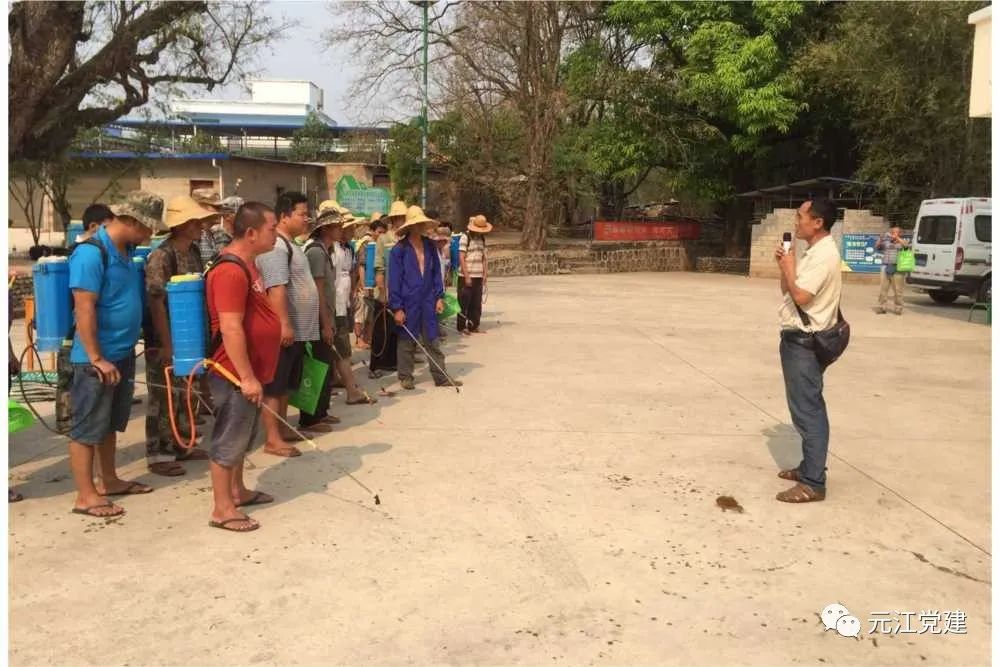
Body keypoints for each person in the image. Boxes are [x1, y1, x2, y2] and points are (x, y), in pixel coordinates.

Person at [66, 191, 161, 518]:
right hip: (95, 359)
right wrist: (95, 357)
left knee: (108, 424)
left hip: (120, 354)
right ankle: (85, 495)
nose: (150, 236)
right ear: (133, 221)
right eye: (148, 229)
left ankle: (109, 480)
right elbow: (84, 307)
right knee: (86, 427)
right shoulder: (91, 254)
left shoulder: (126, 251)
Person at [204, 202, 282, 532]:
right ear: (251, 233)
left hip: (249, 371)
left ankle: (237, 490)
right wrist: (246, 376)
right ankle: (223, 508)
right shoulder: (230, 271)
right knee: (229, 437)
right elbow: (231, 326)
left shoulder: (249, 266)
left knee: (243, 435)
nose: (275, 234)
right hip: (233, 372)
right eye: (271, 228)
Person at [774, 198, 843, 504]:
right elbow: (788, 290)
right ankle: (808, 468)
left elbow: (800, 295)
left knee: (808, 411)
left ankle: (813, 482)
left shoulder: (824, 255)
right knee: (804, 406)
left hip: (804, 341)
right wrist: (786, 267)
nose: (796, 221)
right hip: (799, 339)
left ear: (818, 223)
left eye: (801, 216)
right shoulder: (814, 252)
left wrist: (790, 268)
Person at [143, 196, 218, 476]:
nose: (201, 226)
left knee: (186, 390)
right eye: (196, 221)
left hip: (189, 335)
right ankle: (159, 453)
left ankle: (182, 442)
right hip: (167, 338)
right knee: (164, 396)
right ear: (182, 225)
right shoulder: (162, 256)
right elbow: (156, 300)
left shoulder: (194, 251)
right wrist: (167, 343)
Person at [255, 191, 323, 457]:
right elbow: (276, 288)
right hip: (284, 329)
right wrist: (283, 324)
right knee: (275, 384)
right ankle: (272, 439)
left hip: (297, 330)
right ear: (284, 217)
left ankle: (282, 429)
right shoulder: (277, 248)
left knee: (287, 384)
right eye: (302, 214)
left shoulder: (292, 245)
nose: (306, 219)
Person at [389, 206, 462, 390]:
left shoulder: (430, 246)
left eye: (422, 222)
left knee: (432, 337)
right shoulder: (399, 250)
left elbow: (436, 273)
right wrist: (397, 307)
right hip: (408, 300)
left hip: (428, 298)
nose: (420, 226)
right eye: (417, 223)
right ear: (410, 226)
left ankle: (441, 376)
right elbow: (394, 280)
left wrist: (439, 297)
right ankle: (406, 376)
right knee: (407, 339)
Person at [369, 200, 408, 377]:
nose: (400, 220)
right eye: (397, 217)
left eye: (403, 217)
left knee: (398, 329)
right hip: (386, 291)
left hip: (403, 292)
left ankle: (393, 362)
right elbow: (379, 266)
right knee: (381, 329)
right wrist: (382, 290)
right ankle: (376, 366)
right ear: (393, 219)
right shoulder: (384, 239)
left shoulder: (407, 240)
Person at [457, 214, 492, 335]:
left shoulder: (482, 239)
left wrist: (485, 274)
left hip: (478, 275)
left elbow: (484, 258)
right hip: (466, 276)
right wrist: (466, 276)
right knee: (464, 302)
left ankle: (474, 325)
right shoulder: (465, 237)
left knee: (476, 303)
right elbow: (461, 257)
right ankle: (462, 327)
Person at [874, 225, 908, 315]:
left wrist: (897, 238)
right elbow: (877, 247)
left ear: (900, 233)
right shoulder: (886, 242)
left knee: (898, 290)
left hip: (897, 268)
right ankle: (882, 307)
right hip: (885, 267)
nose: (893, 234)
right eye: (892, 232)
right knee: (883, 289)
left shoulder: (902, 242)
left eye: (896, 232)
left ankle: (898, 308)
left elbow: (906, 246)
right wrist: (880, 239)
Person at [191, 188, 224, 265]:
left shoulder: (213, 234)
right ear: (201, 207)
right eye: (216, 207)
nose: (220, 211)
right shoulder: (194, 236)